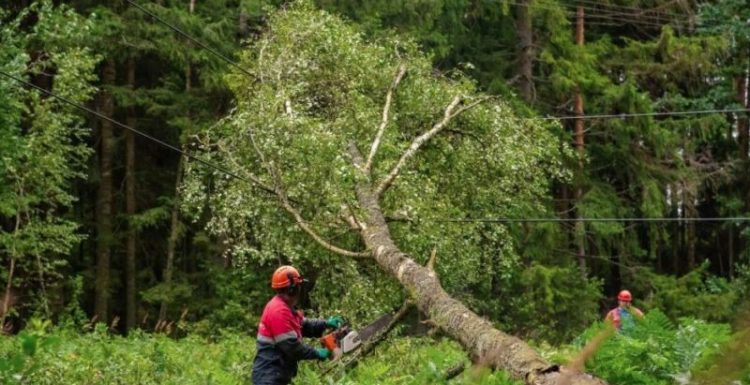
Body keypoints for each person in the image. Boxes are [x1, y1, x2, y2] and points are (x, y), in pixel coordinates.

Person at [251, 265, 344, 385]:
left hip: (276, 374)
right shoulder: (278, 311)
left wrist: (325, 324)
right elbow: (292, 347)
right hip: (269, 376)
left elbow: (304, 325)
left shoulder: (286, 308)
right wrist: (317, 353)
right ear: (293, 289)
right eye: (298, 286)